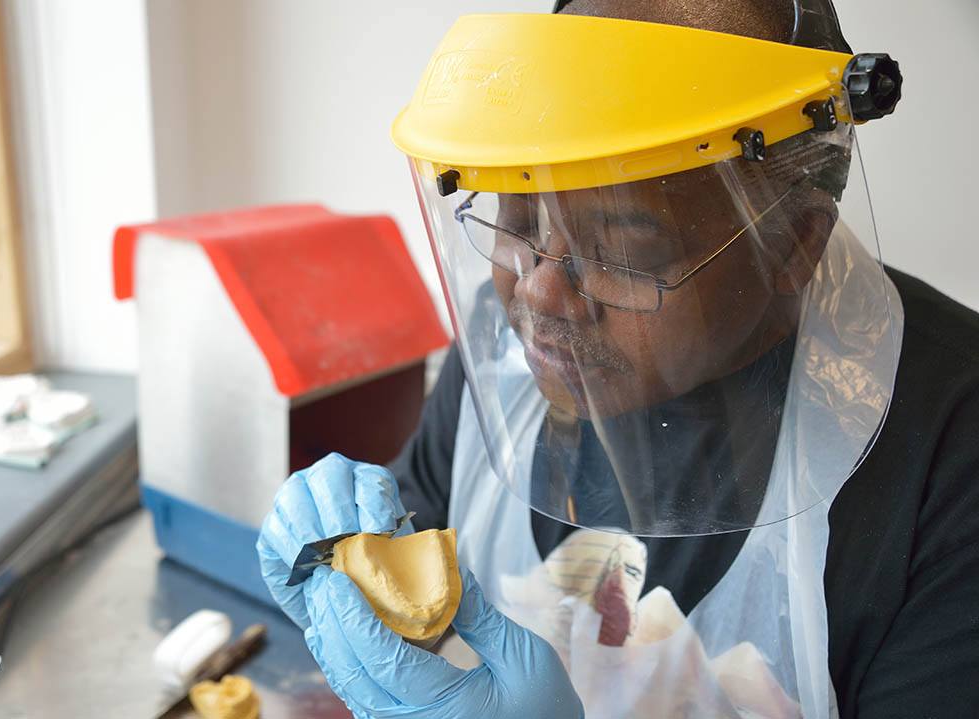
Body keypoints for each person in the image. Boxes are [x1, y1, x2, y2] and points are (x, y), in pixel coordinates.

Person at [258, 1, 979, 717]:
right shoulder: (502, 353)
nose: (540, 292)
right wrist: (343, 563)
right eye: (519, 216)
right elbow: (408, 553)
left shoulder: (952, 455)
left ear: (792, 245)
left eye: (618, 252)